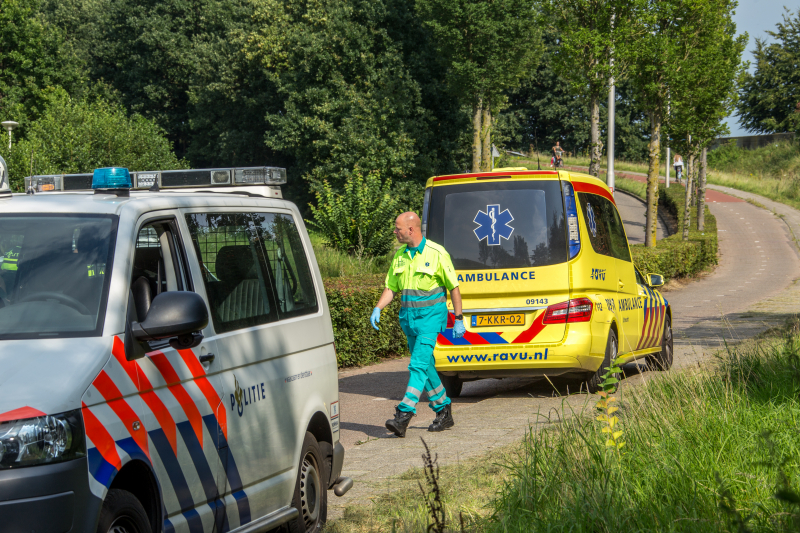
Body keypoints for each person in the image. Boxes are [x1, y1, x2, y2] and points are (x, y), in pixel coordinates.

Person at [371, 212, 464, 437]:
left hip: (431, 318)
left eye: (398, 228)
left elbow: (454, 287)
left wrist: (459, 318)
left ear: (411, 230)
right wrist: (378, 307)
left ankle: (404, 414)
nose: (395, 231)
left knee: (417, 365)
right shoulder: (400, 256)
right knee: (426, 366)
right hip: (409, 320)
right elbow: (391, 287)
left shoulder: (437, 253)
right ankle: (443, 410)